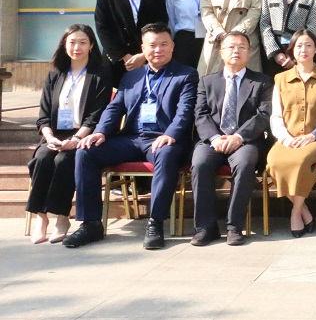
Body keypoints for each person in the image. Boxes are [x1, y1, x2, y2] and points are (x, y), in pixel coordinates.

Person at [64, 23, 198, 249]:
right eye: (152, 45)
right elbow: (115, 108)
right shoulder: (131, 77)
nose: (158, 50)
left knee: (166, 154)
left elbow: (185, 112)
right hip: (131, 138)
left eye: (164, 44)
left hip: (165, 139)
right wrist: (100, 132)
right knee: (86, 152)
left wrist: (170, 134)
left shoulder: (186, 75)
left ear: (172, 47)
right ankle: (91, 224)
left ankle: (155, 222)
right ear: (143, 49)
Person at [28, 25, 111, 244]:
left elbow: (96, 115)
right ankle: (41, 217)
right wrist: (49, 137)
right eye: (72, 42)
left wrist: (76, 139)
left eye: (83, 42)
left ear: (91, 46)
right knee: (42, 158)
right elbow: (43, 114)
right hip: (54, 134)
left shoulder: (100, 75)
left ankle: (62, 217)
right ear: (64, 45)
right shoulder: (55, 74)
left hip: (83, 134)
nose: (77, 47)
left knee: (64, 160)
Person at [191, 31, 272, 246]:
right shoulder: (207, 81)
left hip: (246, 141)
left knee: (244, 163)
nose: (236, 51)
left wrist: (239, 137)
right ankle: (205, 228)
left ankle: (234, 226)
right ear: (221, 52)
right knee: (199, 163)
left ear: (249, 52)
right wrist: (215, 138)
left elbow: (263, 115)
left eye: (242, 47)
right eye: (231, 47)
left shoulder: (262, 82)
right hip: (213, 140)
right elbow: (200, 113)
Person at [266, 30, 316, 237]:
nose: (303, 49)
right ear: (292, 51)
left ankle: (296, 212)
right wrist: (286, 138)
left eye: (308, 45)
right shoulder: (280, 79)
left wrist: (313, 135)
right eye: (298, 46)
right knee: (273, 162)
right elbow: (276, 115)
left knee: (300, 161)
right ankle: (305, 210)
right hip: (288, 139)